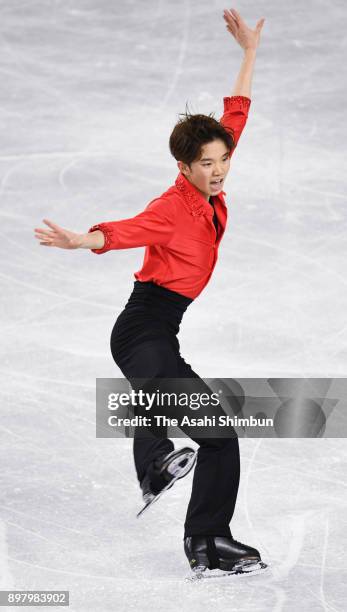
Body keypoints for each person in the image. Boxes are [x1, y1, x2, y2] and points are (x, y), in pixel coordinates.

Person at [34, 8, 267, 578]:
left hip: (158, 332)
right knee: (214, 433)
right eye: (207, 164)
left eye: (223, 160)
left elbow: (234, 115)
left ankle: (183, 508)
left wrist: (248, 54)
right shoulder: (171, 207)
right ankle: (203, 534)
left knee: (196, 421)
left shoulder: (213, 161)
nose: (219, 171)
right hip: (143, 330)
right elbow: (122, 232)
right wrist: (79, 240)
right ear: (183, 166)